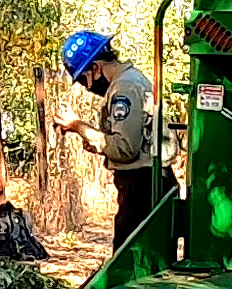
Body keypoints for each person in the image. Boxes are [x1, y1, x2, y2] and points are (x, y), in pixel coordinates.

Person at [52, 30, 176, 250]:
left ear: (96, 68)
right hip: (149, 180)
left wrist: (78, 125)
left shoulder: (124, 88)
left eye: (83, 80)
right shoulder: (132, 80)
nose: (87, 87)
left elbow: (125, 149)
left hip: (143, 186)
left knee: (128, 261)